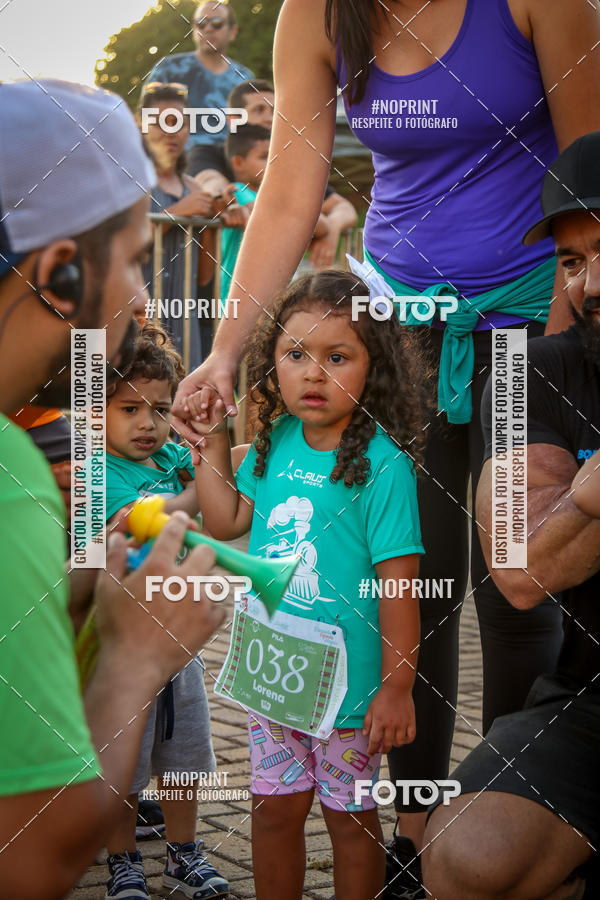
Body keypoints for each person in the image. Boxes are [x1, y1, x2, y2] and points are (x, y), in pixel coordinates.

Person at [172, 2, 600, 893]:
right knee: (414, 585)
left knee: (515, 590)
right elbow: (291, 190)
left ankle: (534, 819)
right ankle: (411, 833)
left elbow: (589, 172)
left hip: (529, 330)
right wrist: (221, 349)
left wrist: (562, 353)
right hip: (400, 336)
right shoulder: (317, 15)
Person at [0, 79, 224, 899]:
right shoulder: (12, 475)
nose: (141, 298)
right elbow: (29, 856)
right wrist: (134, 660)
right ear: (60, 273)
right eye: (132, 261)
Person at [191, 268, 427, 899]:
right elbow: (226, 519)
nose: (313, 373)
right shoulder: (275, 441)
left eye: (337, 356)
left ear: (373, 366)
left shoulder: (383, 467)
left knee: (349, 824)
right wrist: (212, 441)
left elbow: (400, 588)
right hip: (273, 675)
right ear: (272, 363)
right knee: (273, 814)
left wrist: (399, 686)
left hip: (349, 695)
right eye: (295, 354)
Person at [423, 130, 600, 900]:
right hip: (593, 693)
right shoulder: (530, 373)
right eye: (572, 262)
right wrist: (588, 498)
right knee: (469, 856)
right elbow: (525, 574)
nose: (590, 286)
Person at [103, 321, 228, 899]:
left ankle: (183, 853)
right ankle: (123, 860)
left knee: (184, 755)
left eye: (158, 409)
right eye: (129, 409)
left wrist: (219, 442)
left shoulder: (177, 455)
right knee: (122, 762)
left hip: (181, 642)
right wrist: (204, 473)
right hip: (123, 648)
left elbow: (231, 473)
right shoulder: (98, 475)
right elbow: (161, 513)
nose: (147, 424)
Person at [196, 77, 359, 270]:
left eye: (275, 111)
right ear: (233, 120)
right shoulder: (208, 152)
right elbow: (211, 182)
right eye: (259, 110)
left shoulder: (289, 163)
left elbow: (344, 207)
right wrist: (229, 199)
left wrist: (332, 228)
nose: (269, 118)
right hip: (207, 286)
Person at [138, 82, 218, 368]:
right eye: (161, 122)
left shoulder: (192, 186)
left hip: (184, 324)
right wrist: (177, 213)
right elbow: (120, 248)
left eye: (179, 122)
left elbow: (203, 277)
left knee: (182, 406)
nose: (171, 131)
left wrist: (212, 221)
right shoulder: (129, 180)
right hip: (137, 318)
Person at [145, 1, 253, 178]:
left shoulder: (244, 77)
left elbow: (254, 131)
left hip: (236, 162)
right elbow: (148, 123)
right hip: (185, 162)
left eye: (217, 23)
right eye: (201, 23)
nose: (208, 28)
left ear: (233, 32)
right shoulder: (169, 69)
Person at [219, 124, 271, 298]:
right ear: (238, 162)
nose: (273, 162)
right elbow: (269, 213)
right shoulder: (238, 191)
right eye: (265, 157)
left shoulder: (270, 197)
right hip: (236, 297)